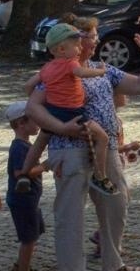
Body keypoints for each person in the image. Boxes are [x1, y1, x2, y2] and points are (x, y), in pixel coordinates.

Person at [23, 15, 140, 271]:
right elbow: (33, 105)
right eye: (89, 35)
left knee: (116, 201)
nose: (95, 40)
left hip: (105, 147)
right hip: (69, 148)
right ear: (72, 41)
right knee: (70, 214)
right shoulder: (59, 69)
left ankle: (113, 262)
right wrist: (62, 127)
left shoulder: (103, 69)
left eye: (96, 35)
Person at [15, 23, 119, 198]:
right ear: (62, 49)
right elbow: (82, 72)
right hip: (74, 112)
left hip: (53, 112)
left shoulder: (46, 68)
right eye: (77, 46)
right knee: (102, 137)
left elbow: (28, 86)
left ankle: (24, 173)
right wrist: (101, 71)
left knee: (40, 141)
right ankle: (100, 175)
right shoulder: (70, 64)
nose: (80, 48)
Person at [4, 102, 49, 271]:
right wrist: (45, 166)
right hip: (23, 200)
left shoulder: (24, 144)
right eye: (34, 119)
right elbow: (21, 172)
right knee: (28, 237)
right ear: (22, 123)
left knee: (34, 232)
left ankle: (22, 264)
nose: (38, 122)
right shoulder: (19, 148)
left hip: (30, 198)